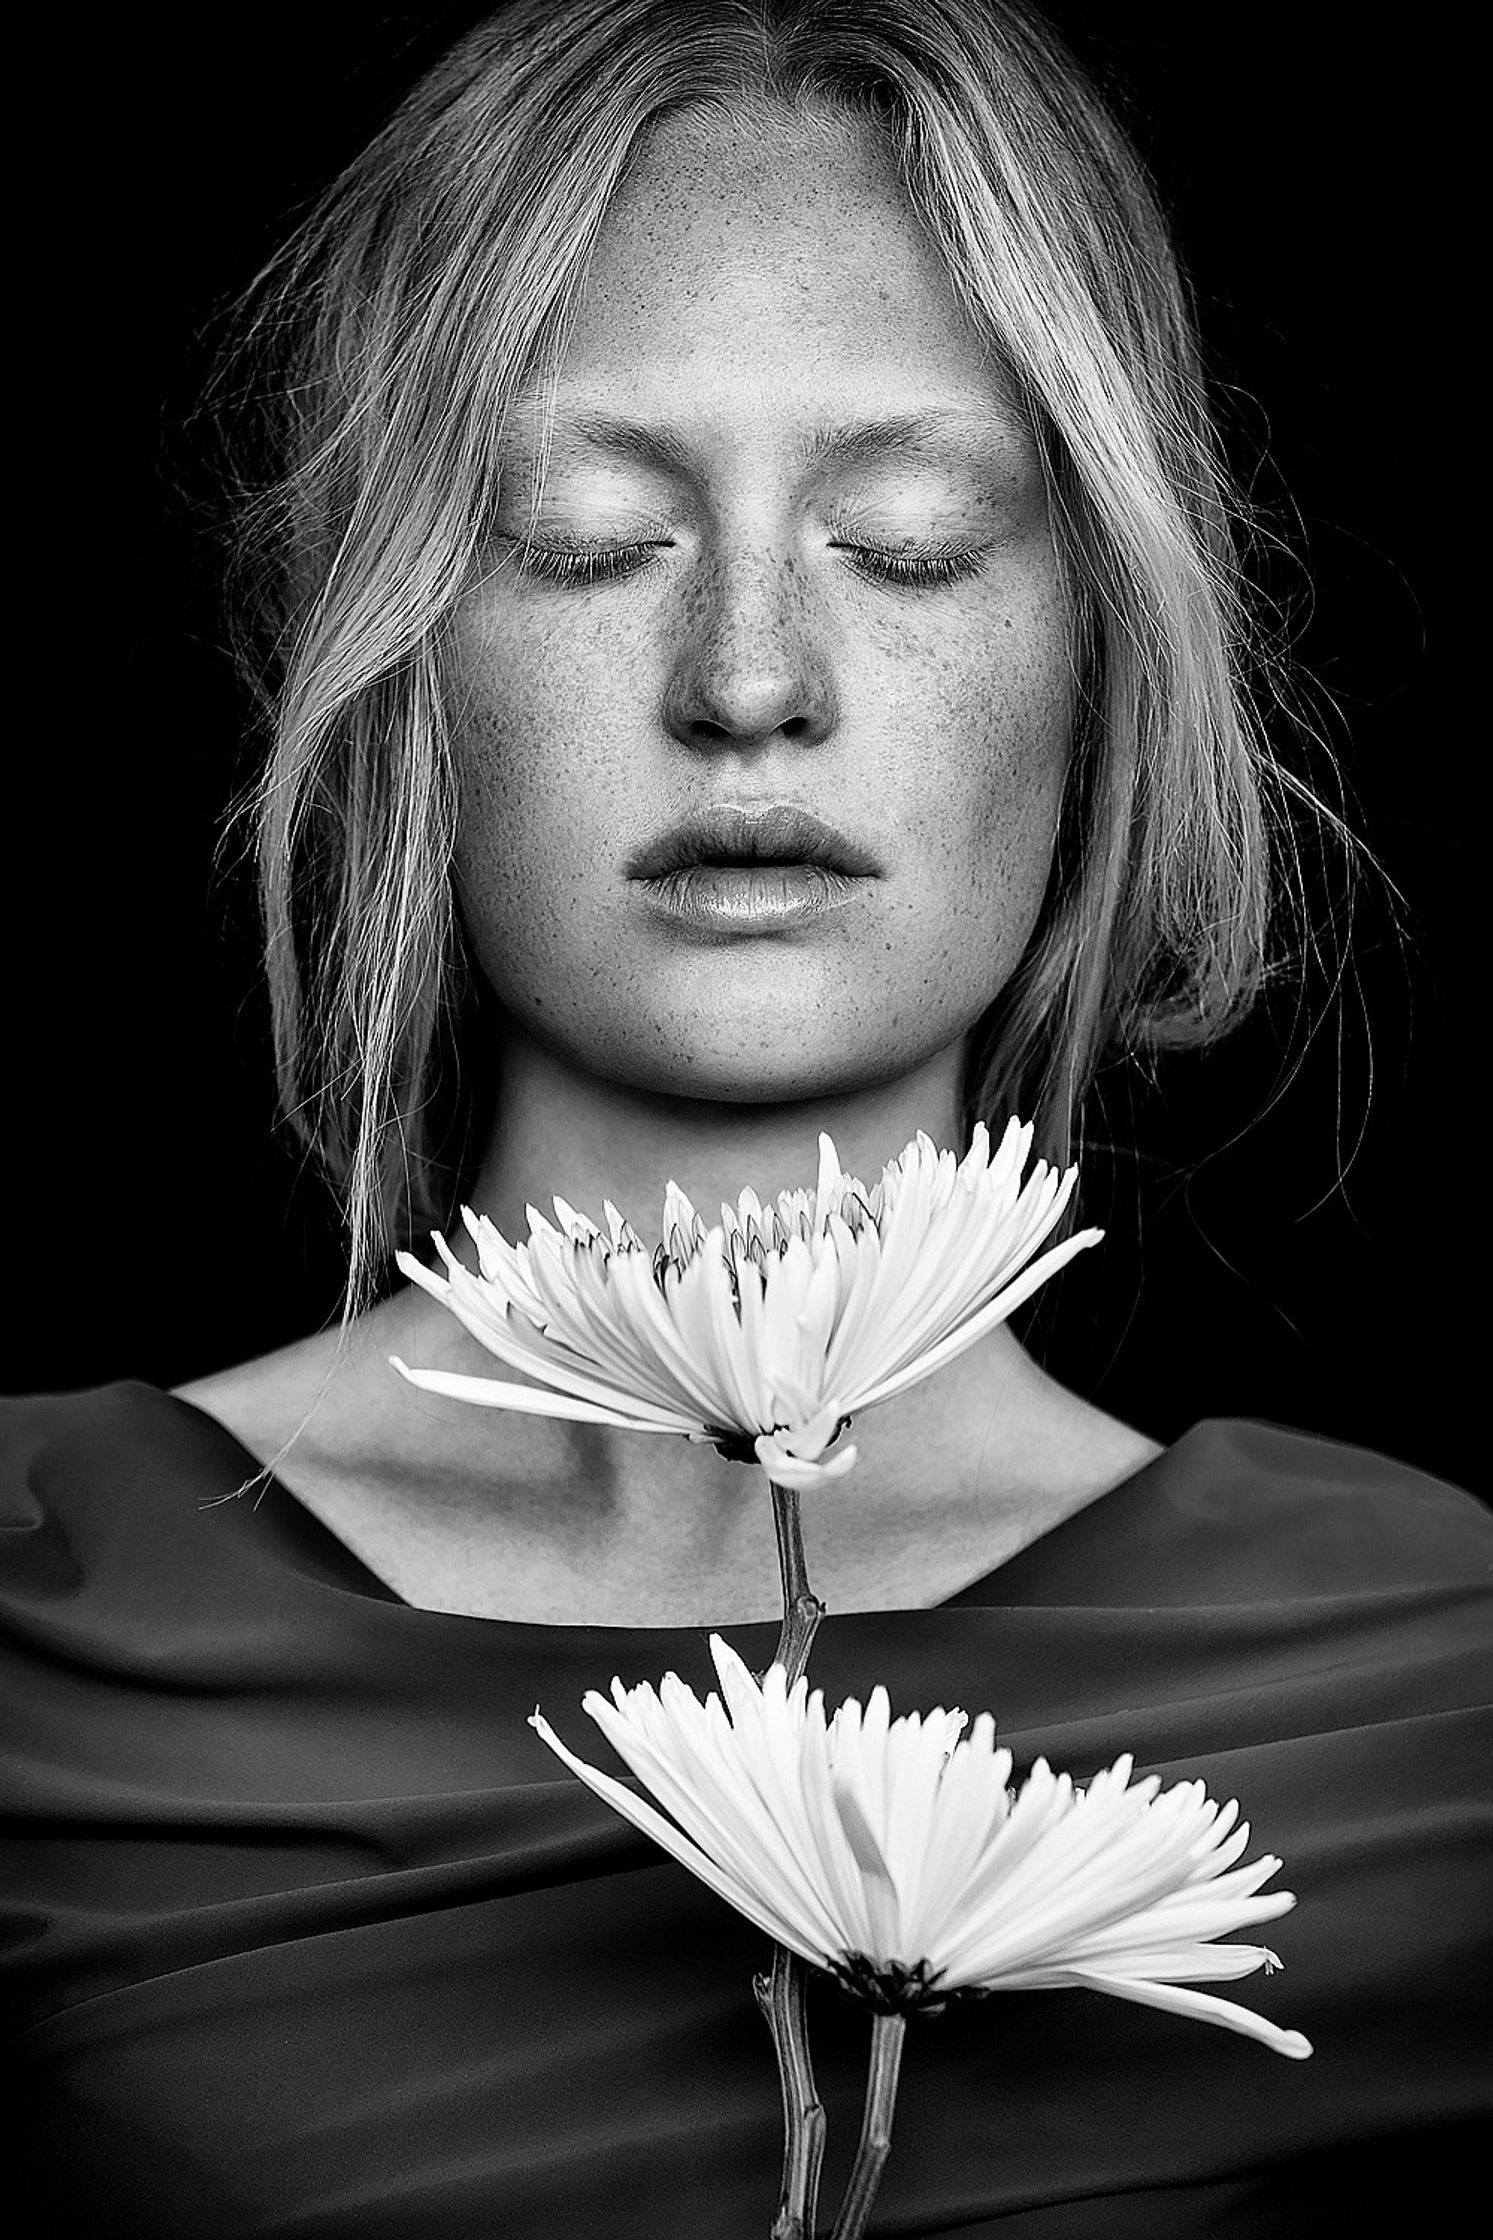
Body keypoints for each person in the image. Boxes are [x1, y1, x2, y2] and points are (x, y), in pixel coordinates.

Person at [3, 3, 1486, 2233]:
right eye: (585, 539)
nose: (752, 681)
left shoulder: (1436, 1686)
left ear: (1110, 642)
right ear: (394, 653)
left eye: (907, 540)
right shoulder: (36, 1600)